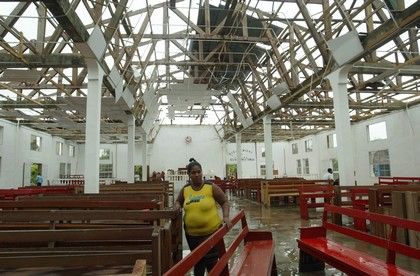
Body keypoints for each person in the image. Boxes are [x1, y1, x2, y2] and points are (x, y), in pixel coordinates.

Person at [174, 158, 231, 276]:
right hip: (192, 235)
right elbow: (178, 201)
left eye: (199, 171)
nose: (197, 174)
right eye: (193, 172)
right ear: (189, 174)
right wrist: (177, 205)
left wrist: (226, 216)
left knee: (211, 262)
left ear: (202, 172)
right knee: (198, 262)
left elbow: (224, 202)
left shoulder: (211, 187)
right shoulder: (185, 189)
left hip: (211, 233)